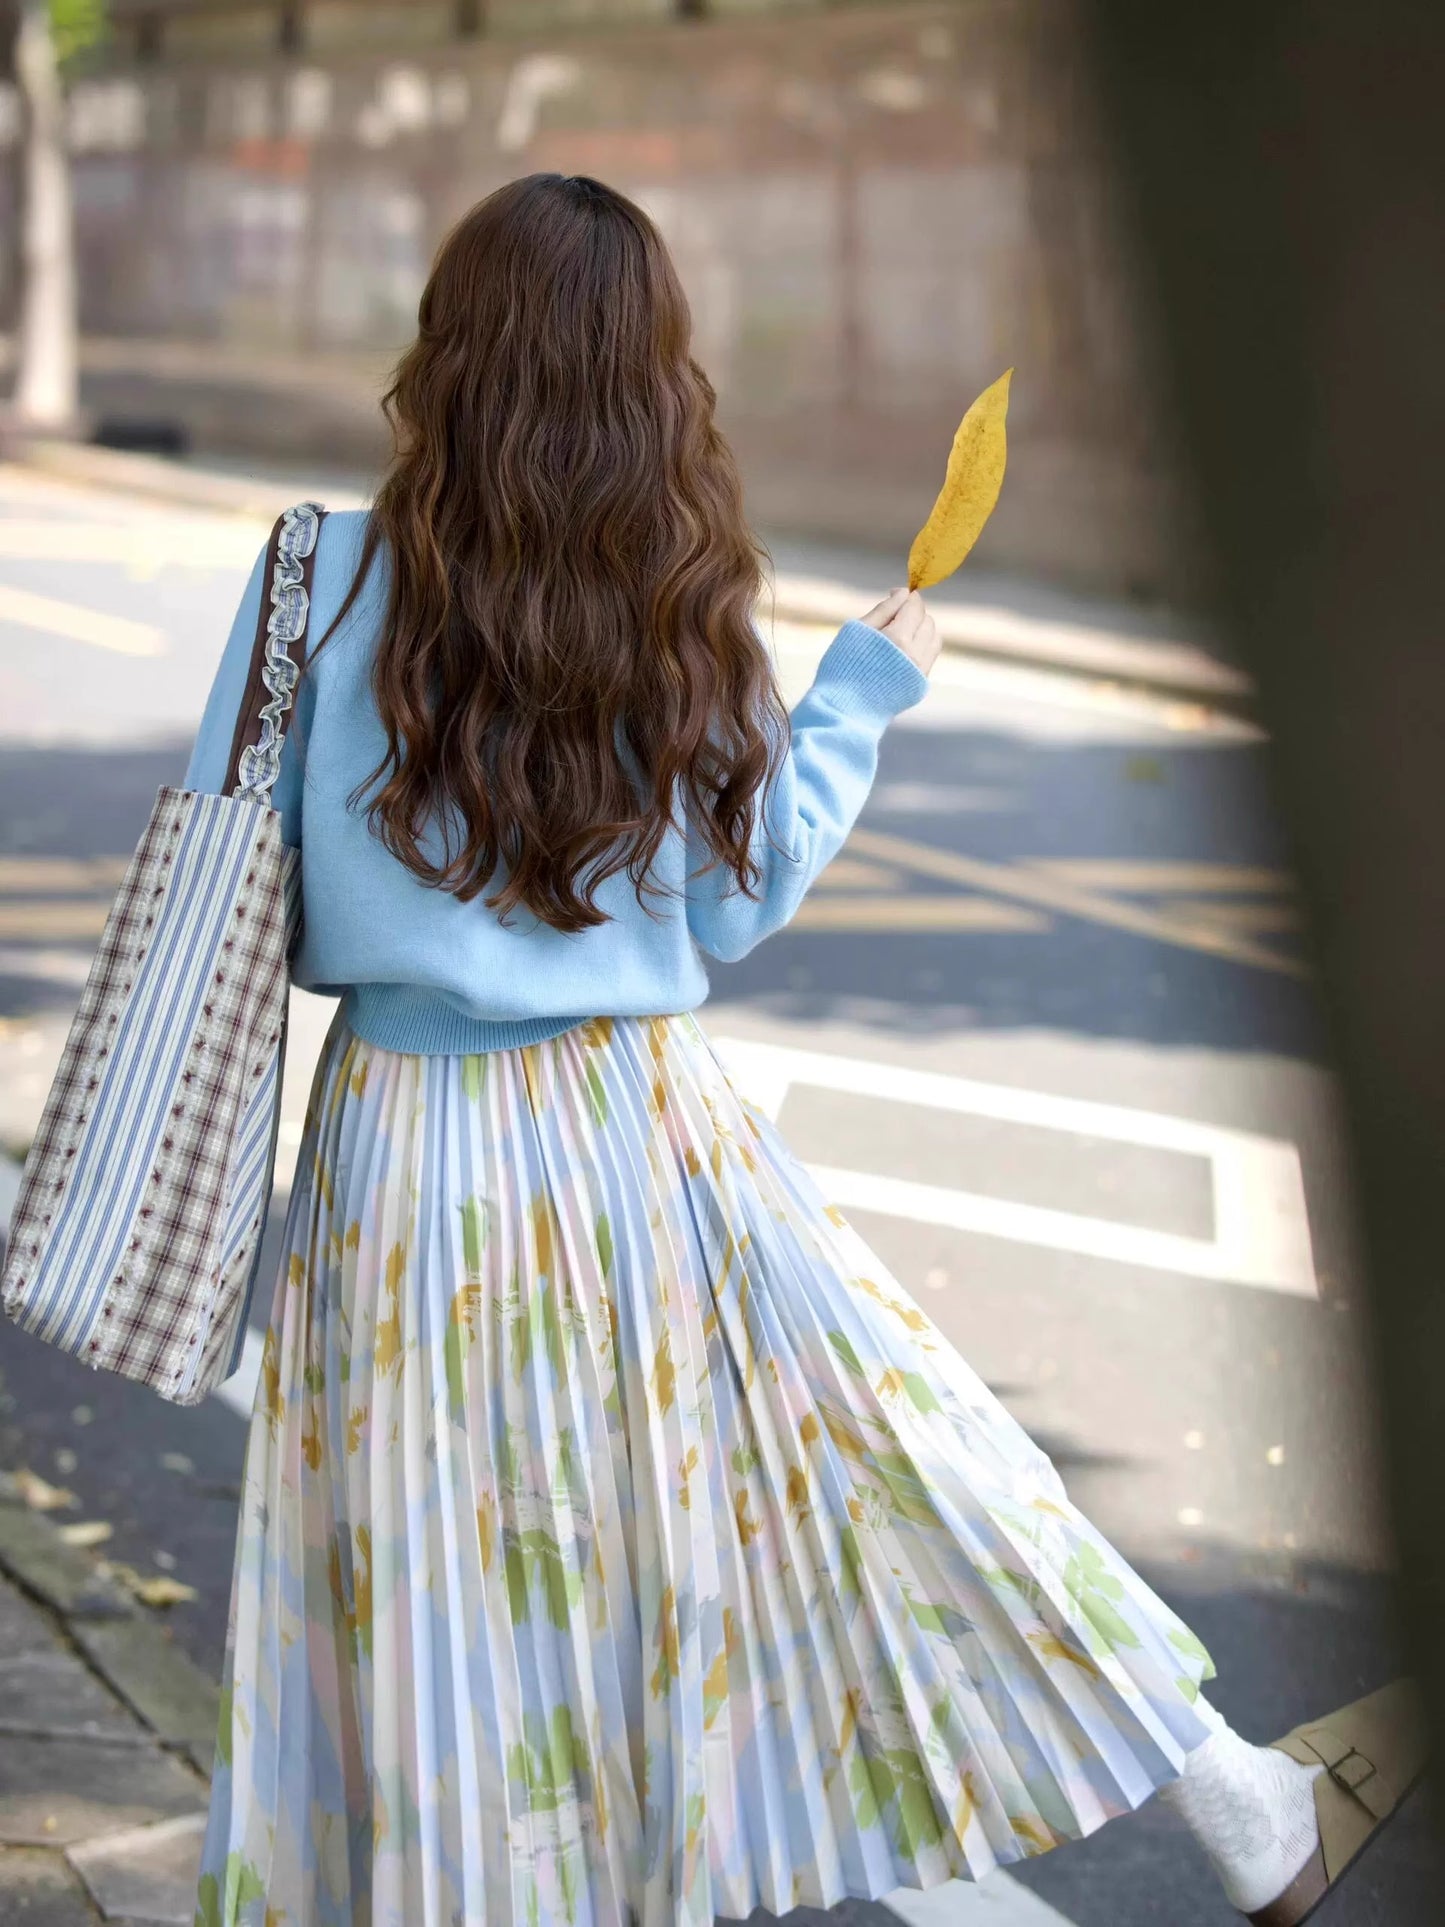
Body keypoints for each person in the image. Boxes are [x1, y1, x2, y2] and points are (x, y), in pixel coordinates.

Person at [187, 175, 1415, 1927]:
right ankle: (1239, 1811)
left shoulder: (320, 575)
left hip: (400, 1146)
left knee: (439, 1576)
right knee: (889, 1452)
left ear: (442, 356)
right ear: (651, 377)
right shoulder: (670, 595)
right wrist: (857, 696)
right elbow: (742, 899)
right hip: (645, 1133)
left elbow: (259, 890)